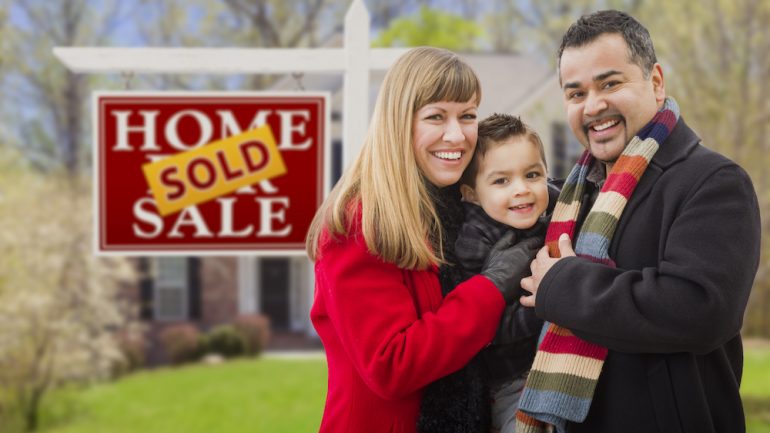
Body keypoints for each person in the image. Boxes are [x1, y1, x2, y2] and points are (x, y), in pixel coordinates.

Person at [515, 10, 761, 433]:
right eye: (575, 94)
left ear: (656, 81)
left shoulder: (714, 182)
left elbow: (701, 310)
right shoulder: (572, 196)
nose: (593, 106)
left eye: (610, 84)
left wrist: (563, 284)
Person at [306, 47, 541, 433]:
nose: (457, 134)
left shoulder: (456, 205)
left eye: (467, 116)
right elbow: (391, 365)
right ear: (398, 123)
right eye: (436, 116)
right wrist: (493, 286)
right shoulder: (357, 223)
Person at [457, 113, 551, 433]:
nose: (522, 189)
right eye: (501, 181)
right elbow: (488, 327)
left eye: (532, 174)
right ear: (471, 194)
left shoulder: (550, 216)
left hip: (549, 364)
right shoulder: (474, 239)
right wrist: (550, 306)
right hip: (508, 380)